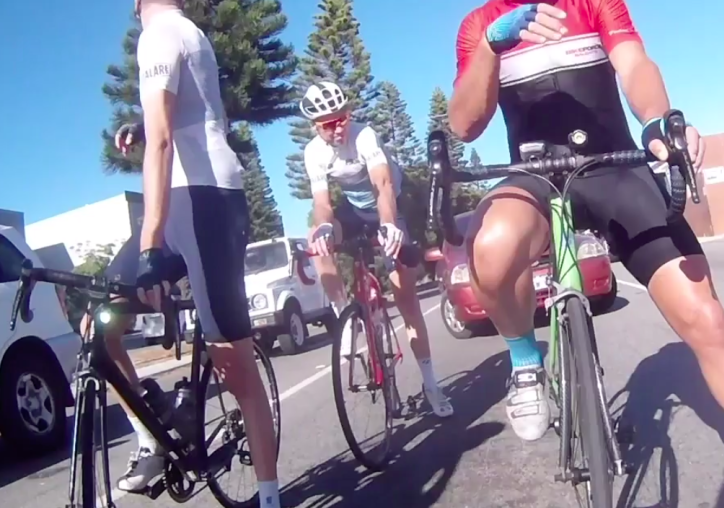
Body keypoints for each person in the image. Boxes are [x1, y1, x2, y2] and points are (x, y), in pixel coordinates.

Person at [448, 1, 724, 507]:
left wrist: (658, 121)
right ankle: (526, 361)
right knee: (489, 247)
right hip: (534, 178)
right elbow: (464, 124)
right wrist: (491, 45)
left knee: (704, 316)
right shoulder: (478, 24)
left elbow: (635, 65)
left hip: (613, 168)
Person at [88, 1, 281, 506]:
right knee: (99, 322)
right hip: (179, 201)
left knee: (233, 362)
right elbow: (177, 115)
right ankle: (152, 436)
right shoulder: (179, 34)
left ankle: (268, 495)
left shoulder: (162, 32)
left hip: (205, 197)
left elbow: (164, 139)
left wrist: (150, 239)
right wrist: (141, 121)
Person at [300, 81, 455, 418]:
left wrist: (389, 226)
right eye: (329, 123)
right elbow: (322, 203)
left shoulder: (365, 135)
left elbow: (383, 186)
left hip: (391, 205)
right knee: (317, 235)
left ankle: (431, 385)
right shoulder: (314, 152)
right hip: (354, 211)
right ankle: (344, 312)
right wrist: (325, 226)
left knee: (405, 297)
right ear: (316, 126)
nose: (338, 127)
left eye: (343, 117)